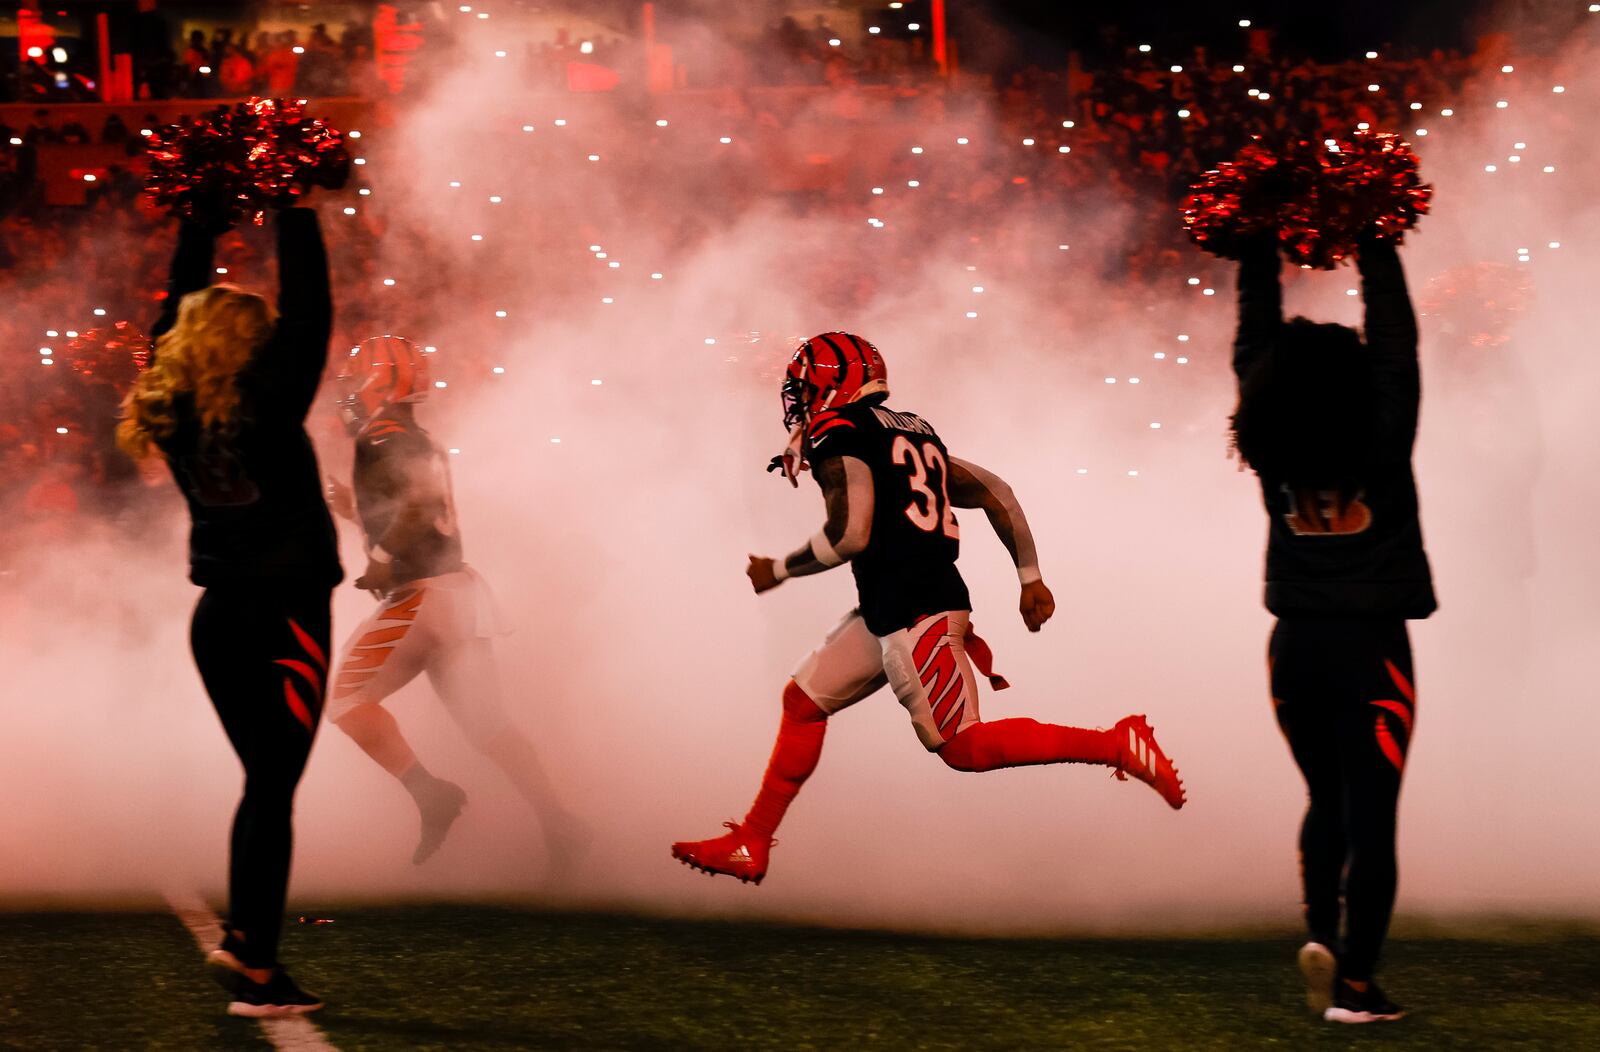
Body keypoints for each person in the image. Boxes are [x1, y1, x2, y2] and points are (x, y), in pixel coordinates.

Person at [672, 333, 1185, 886]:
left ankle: (1117, 744)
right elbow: (996, 489)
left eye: (802, 387)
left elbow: (850, 533)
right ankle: (752, 840)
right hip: (895, 602)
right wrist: (1029, 575)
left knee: (962, 747)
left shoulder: (837, 431)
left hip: (918, 610)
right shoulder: (909, 430)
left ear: (827, 383)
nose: (796, 402)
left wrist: (778, 570)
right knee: (803, 701)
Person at [117, 205, 337, 1017]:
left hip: (218, 619)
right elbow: (313, 312)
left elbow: (174, 310)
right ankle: (256, 968)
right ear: (248, 346)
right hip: (285, 619)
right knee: (273, 788)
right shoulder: (269, 411)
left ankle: (249, 943)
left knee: (264, 783)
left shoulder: (172, 407)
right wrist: (296, 208)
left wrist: (197, 226)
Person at [1230, 231, 1434, 1024]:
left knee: (1325, 798)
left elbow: (1253, 339)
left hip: (1294, 650)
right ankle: (1355, 984)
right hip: (1372, 648)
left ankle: (1321, 930)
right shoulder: (1383, 436)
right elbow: (1397, 342)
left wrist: (1255, 243)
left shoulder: (1271, 443)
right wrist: (1375, 240)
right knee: (1372, 815)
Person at [324, 336, 577, 865]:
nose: (348, 392)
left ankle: (429, 794)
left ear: (378, 382)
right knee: (490, 726)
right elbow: (411, 507)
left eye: (356, 380)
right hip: (457, 593)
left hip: (423, 596)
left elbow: (421, 500)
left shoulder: (384, 435)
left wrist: (384, 556)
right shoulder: (414, 434)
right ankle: (559, 822)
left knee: (345, 698)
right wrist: (355, 511)